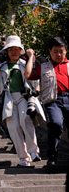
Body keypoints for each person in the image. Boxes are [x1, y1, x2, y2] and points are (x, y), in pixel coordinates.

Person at [0, 35, 43, 167]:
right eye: (10, 49)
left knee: (26, 121)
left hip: (23, 96)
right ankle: (23, 158)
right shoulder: (1, 67)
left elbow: (35, 81)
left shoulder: (25, 64)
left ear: (21, 51)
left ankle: (34, 152)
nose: (14, 52)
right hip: (7, 99)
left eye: (16, 49)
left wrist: (31, 58)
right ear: (6, 52)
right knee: (13, 128)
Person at [25, 37, 68, 169]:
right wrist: (31, 57)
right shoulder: (44, 67)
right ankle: (52, 158)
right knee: (55, 124)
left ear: (66, 51)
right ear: (50, 51)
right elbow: (27, 74)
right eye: (55, 51)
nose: (58, 54)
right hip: (53, 101)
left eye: (61, 51)